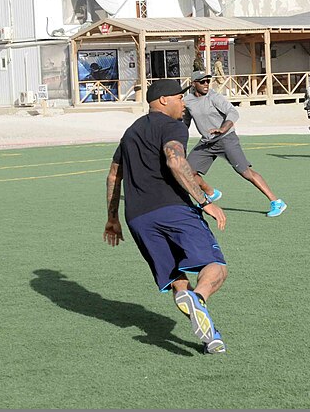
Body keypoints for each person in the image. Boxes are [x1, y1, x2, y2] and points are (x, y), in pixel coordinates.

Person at [103, 78, 229, 354]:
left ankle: (209, 335)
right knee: (216, 267)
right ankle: (200, 298)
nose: (184, 104)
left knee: (177, 280)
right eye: (179, 98)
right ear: (163, 101)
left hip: (137, 219)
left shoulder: (130, 132)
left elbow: (114, 174)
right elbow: (174, 159)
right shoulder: (172, 126)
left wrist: (112, 218)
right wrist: (204, 200)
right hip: (173, 209)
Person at [183, 70, 287, 217]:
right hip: (207, 142)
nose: (206, 84)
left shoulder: (214, 97)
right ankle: (210, 193)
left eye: (208, 81)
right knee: (187, 170)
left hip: (226, 138)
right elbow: (185, 122)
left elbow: (233, 112)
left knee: (245, 172)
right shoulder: (187, 101)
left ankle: (276, 202)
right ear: (193, 84)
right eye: (202, 82)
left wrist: (222, 128)